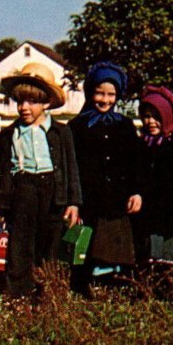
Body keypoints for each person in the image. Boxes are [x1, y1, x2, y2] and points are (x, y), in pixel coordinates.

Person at [0, 62, 81, 298]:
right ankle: (18, 290)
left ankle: (47, 286)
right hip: (22, 188)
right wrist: (2, 204)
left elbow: (71, 168)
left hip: (52, 188)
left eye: (31, 102)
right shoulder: (9, 134)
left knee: (50, 238)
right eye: (20, 101)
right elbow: (3, 170)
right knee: (20, 239)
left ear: (46, 103)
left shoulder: (61, 133)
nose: (24, 107)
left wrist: (73, 202)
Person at [67, 61, 143, 296]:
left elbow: (135, 163)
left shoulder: (125, 126)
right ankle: (82, 281)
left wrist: (136, 191)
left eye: (111, 95)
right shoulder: (77, 126)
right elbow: (72, 164)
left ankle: (115, 278)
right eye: (100, 93)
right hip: (88, 196)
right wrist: (74, 199)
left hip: (117, 197)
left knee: (115, 238)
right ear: (90, 92)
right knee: (86, 239)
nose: (105, 100)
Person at [133, 85, 173, 270]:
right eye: (146, 116)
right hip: (148, 212)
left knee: (170, 253)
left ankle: (169, 284)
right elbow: (135, 175)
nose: (151, 122)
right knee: (150, 253)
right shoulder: (140, 146)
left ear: (167, 117)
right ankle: (148, 285)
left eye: (156, 117)